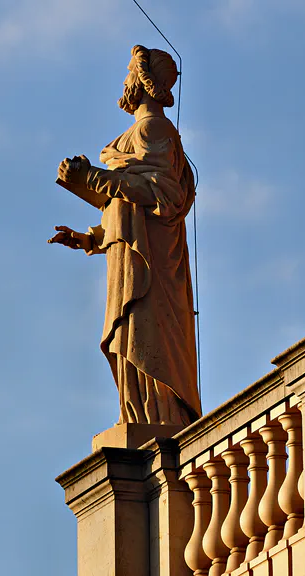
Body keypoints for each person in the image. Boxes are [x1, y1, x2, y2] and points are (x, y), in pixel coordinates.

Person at [49, 45, 201, 427]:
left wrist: (92, 178)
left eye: (129, 74)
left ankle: (157, 416)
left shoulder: (153, 129)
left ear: (143, 81)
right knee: (130, 341)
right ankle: (140, 416)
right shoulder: (139, 132)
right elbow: (127, 209)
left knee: (145, 340)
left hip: (151, 273)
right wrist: (89, 238)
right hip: (131, 259)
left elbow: (161, 194)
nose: (124, 82)